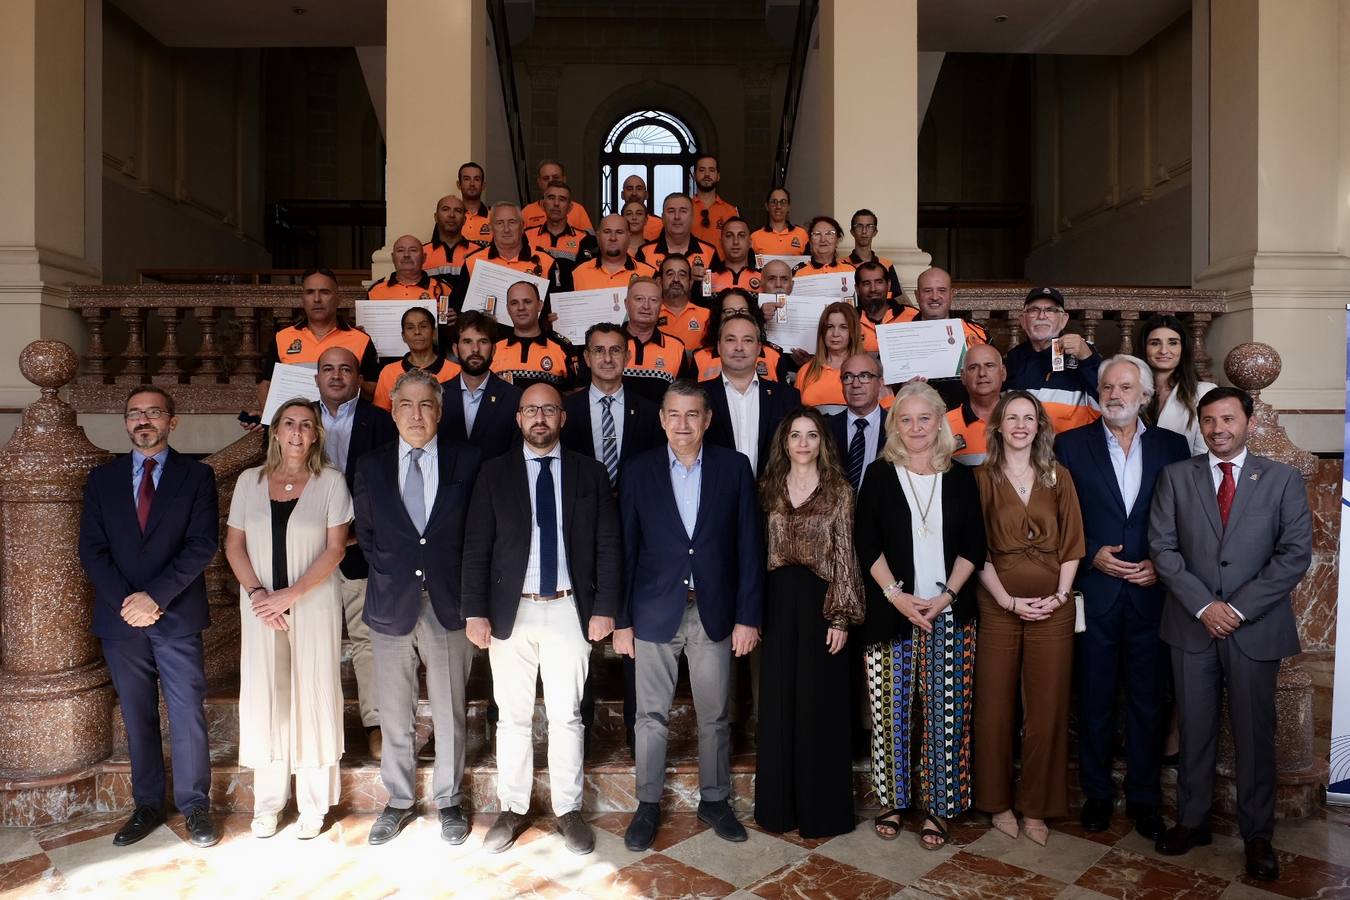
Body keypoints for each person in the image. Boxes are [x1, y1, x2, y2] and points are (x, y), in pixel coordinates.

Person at [1150, 387, 1312, 883]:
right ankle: (1192, 821)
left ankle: (1258, 835)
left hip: (1254, 627)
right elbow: (1163, 548)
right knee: (1194, 728)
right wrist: (1205, 606)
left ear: (1249, 422)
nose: (1218, 429)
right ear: (1199, 425)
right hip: (1192, 624)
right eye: (1209, 420)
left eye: (1228, 419)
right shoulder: (1176, 476)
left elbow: (1294, 555)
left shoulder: (1281, 478)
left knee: (1255, 734)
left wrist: (1236, 609)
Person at [461, 384, 622, 855]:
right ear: (518, 418)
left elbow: (608, 544)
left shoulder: (590, 473)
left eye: (549, 409)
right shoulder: (493, 473)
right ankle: (513, 808)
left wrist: (605, 608)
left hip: (570, 609)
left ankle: (568, 809)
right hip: (511, 611)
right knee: (512, 716)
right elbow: (476, 545)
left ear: (562, 418)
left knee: (567, 715)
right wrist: (475, 610)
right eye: (531, 409)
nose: (539, 418)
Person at [614, 381, 765, 852]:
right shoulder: (638, 470)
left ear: (707, 419)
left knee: (715, 714)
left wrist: (748, 617)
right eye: (674, 415)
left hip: (713, 611)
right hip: (653, 612)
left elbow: (749, 546)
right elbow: (625, 550)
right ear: (662, 420)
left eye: (692, 414)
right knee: (649, 715)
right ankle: (648, 803)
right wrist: (622, 621)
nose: (683, 424)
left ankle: (715, 800)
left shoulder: (733, 468)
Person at [78, 386, 221, 849]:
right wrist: (129, 602)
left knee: (186, 711)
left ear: (171, 421)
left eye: (154, 412)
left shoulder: (197, 476)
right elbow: (92, 550)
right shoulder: (102, 480)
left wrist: (154, 598)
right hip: (121, 620)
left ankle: (195, 805)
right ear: (126, 422)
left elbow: (202, 544)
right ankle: (147, 804)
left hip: (176, 614)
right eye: (134, 413)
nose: (144, 420)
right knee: (137, 713)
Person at [1054, 356, 1189, 841]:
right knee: (1094, 698)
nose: (1115, 395)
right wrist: (1092, 554)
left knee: (1149, 700)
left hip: (1151, 592)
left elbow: (1186, 517)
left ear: (1145, 395)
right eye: (1107, 387)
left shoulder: (1173, 447)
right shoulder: (1071, 445)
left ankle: (1145, 797)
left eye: (1126, 387)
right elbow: (1059, 517)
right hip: (1097, 591)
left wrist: (1161, 563)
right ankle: (1096, 794)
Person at [352, 369, 483, 846]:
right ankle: (400, 799)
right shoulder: (370, 465)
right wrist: (400, 572)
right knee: (394, 710)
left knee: (449, 709)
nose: (416, 414)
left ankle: (449, 800)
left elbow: (477, 533)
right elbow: (368, 536)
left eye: (426, 404)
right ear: (392, 412)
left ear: (439, 412)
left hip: (449, 603)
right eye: (406, 404)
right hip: (391, 603)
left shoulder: (468, 460)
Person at [855, 383, 987, 849]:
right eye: (905, 419)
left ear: (939, 422)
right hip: (892, 612)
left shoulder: (960, 476)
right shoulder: (879, 474)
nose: (915, 428)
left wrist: (947, 596)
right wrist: (897, 597)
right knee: (889, 713)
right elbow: (865, 542)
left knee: (947, 716)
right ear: (895, 426)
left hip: (949, 611)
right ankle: (892, 801)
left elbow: (974, 545)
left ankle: (939, 807)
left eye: (924, 418)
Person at [224, 399, 351, 840]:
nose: (297, 432)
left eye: (306, 425)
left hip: (312, 604)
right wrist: (259, 595)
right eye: (289, 424)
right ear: (275, 431)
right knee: (267, 698)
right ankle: (268, 804)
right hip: (261, 609)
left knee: (313, 694)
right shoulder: (249, 481)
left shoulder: (331, 482)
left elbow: (336, 549)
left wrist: (291, 595)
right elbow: (234, 546)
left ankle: (313, 805)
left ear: (316, 435)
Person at [972, 391, 1085, 847]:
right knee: (994, 707)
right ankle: (997, 802)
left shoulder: (1059, 476)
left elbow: (1073, 543)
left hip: (1053, 610)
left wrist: (1059, 595)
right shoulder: (980, 478)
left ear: (1040, 427)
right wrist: (1007, 600)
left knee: (1047, 708)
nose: (1021, 425)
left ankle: (1037, 807)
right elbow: (974, 550)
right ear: (998, 426)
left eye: (1029, 418)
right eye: (1012, 417)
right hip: (997, 606)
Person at [753, 407, 865, 839]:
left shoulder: (840, 491)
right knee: (778, 704)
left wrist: (840, 616)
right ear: (784, 442)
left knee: (820, 706)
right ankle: (778, 810)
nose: (803, 443)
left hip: (822, 603)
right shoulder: (767, 489)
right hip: (777, 602)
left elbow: (846, 555)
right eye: (795, 435)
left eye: (812, 435)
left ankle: (823, 813)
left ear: (823, 442)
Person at [315, 347, 399, 760]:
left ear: (359, 378)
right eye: (328, 369)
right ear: (316, 377)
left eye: (345, 369)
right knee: (314, 640)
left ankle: (376, 724)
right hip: (307, 555)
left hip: (359, 549)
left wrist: (353, 535)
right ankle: (318, 724)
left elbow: (389, 488)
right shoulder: (296, 420)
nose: (336, 376)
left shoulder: (381, 423)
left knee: (368, 639)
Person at [255, 268, 380, 418]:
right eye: (310, 292)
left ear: (338, 299)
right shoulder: (282, 338)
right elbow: (265, 384)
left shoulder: (360, 339)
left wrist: (347, 377)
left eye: (324, 292)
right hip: (297, 426)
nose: (316, 299)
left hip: (345, 423)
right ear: (303, 299)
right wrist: (268, 419)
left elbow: (375, 390)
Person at [562, 323, 664, 490]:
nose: (608, 358)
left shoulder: (650, 412)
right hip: (581, 502)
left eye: (615, 350)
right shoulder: (566, 410)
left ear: (627, 357)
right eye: (599, 350)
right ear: (587, 357)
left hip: (632, 502)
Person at [704, 312, 800, 476]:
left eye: (747, 340)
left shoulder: (787, 397)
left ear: (759, 348)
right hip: (717, 491)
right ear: (719, 347)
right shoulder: (699, 396)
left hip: (773, 491)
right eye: (730, 339)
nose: (739, 347)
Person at [1004, 287, 1101, 434]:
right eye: (1034, 310)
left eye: (1050, 310)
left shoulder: (1083, 354)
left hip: (1069, 446)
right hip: (1024, 445)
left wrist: (1088, 359)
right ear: (1023, 320)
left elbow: (1107, 400)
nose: (1042, 316)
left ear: (1063, 320)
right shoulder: (1014, 358)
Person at [438, 310, 524, 461]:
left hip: (496, 477)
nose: (475, 349)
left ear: (494, 349)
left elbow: (517, 456)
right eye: (467, 341)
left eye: (483, 341)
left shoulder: (515, 398)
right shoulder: (437, 395)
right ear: (455, 349)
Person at [909, 267, 990, 408]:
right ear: (917, 295)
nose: (935, 297)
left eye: (941, 290)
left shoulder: (977, 334)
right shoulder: (899, 336)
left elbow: (993, 379)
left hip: (966, 416)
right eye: (927, 291)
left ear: (951, 294)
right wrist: (903, 389)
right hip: (916, 414)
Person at [1140, 314, 1216, 455]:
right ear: (1144, 348)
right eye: (1155, 343)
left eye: (1173, 343)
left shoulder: (1204, 392)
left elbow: (1205, 454)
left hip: (1187, 469)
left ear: (1183, 348)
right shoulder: (1130, 392)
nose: (1163, 350)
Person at [619, 277, 695, 404]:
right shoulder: (608, 343)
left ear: (661, 306)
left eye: (653, 300)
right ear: (626, 303)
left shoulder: (676, 347)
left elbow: (684, 398)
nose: (646, 306)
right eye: (639, 299)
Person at [491, 280, 576, 393]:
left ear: (540, 305)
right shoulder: (493, 347)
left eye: (527, 301)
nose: (521, 307)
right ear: (508, 309)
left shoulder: (562, 346)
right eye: (514, 303)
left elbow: (576, 394)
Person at [465, 202, 568, 294]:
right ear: (491, 228)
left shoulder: (546, 262)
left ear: (522, 226)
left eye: (512, 222)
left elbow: (554, 306)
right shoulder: (472, 262)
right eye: (500, 223)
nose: (506, 229)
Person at [372, 307, 461, 411]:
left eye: (423, 326)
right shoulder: (389, 372)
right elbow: (380, 415)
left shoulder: (455, 371)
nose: (417, 332)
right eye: (410, 328)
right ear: (403, 336)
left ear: (434, 332)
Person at [693, 289, 787, 383]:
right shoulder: (700, 357)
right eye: (729, 311)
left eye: (743, 311)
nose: (736, 316)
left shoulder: (774, 355)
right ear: (718, 316)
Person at [367, 235, 455, 333]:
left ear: (424, 257)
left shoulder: (441, 288)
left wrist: (455, 320)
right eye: (400, 250)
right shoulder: (375, 291)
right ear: (393, 257)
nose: (406, 255)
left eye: (413, 250)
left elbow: (449, 327)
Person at [828, 353, 888, 490]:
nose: (855, 384)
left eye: (864, 376)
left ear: (880, 383)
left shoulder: (896, 428)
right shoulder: (825, 428)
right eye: (848, 377)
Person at [794, 302, 863, 413]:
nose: (835, 334)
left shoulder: (867, 371)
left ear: (852, 332)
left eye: (843, 327)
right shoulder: (805, 371)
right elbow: (795, 416)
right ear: (822, 331)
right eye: (830, 327)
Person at [525, 180, 599, 276]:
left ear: (570, 208)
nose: (556, 203)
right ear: (543, 204)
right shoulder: (526, 235)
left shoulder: (584, 239)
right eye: (551, 198)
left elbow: (586, 276)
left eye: (562, 199)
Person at [947, 344, 1006, 466]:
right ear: (963, 376)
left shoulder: (1023, 420)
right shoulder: (945, 424)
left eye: (989, 366)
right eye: (973, 368)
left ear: (1003, 373)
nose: (982, 373)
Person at [637, 192, 717, 278]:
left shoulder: (709, 252)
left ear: (692, 217)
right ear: (663, 218)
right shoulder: (645, 252)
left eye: (683, 211)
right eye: (671, 211)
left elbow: (717, 285)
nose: (677, 217)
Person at [572, 213, 656, 290]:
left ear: (629, 237)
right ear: (598, 237)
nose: (613, 238)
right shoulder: (577, 273)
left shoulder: (649, 273)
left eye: (619, 232)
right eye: (607, 232)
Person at [855, 260, 917, 354]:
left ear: (888, 285)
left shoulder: (913, 316)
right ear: (857, 289)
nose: (873, 289)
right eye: (866, 283)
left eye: (879, 282)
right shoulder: (849, 319)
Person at [522, 159, 594, 232]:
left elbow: (590, 238)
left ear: (564, 179)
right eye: (546, 178)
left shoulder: (578, 210)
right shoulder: (527, 212)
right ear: (539, 182)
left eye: (555, 177)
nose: (551, 181)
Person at [423, 194, 479, 287]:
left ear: (464, 219)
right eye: (445, 209)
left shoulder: (478, 253)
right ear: (436, 217)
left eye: (458, 211)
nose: (452, 215)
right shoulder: (420, 254)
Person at [657, 254, 711, 349]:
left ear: (690, 283)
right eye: (670, 274)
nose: (676, 279)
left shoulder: (707, 316)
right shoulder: (650, 314)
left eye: (682, 275)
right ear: (660, 281)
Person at [847, 210, 903, 298]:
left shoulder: (886, 264)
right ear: (852, 232)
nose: (864, 231)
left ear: (875, 232)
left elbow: (894, 298)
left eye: (869, 226)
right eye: (859, 226)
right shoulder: (840, 264)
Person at [690, 154, 738, 246]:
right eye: (702, 170)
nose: (707, 174)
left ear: (718, 176)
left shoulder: (731, 211)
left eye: (711, 170)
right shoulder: (684, 210)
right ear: (694, 175)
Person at [750, 187, 810, 259]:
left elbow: (810, 262)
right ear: (767, 206)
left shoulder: (802, 234)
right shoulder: (755, 237)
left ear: (789, 207)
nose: (778, 206)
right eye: (774, 202)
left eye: (783, 202)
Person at [708, 217, 762, 294]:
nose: (735, 242)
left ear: (750, 242)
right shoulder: (708, 278)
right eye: (729, 236)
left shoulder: (763, 278)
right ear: (721, 243)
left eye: (741, 235)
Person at [457, 161, 492, 243]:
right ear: (459, 184)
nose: (472, 184)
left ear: (483, 185)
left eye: (476, 179)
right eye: (467, 179)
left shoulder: (495, 218)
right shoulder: (450, 217)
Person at [622, 174, 664, 241]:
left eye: (639, 189)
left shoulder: (661, 224)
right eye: (629, 189)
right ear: (622, 195)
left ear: (646, 195)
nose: (634, 193)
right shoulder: (613, 223)